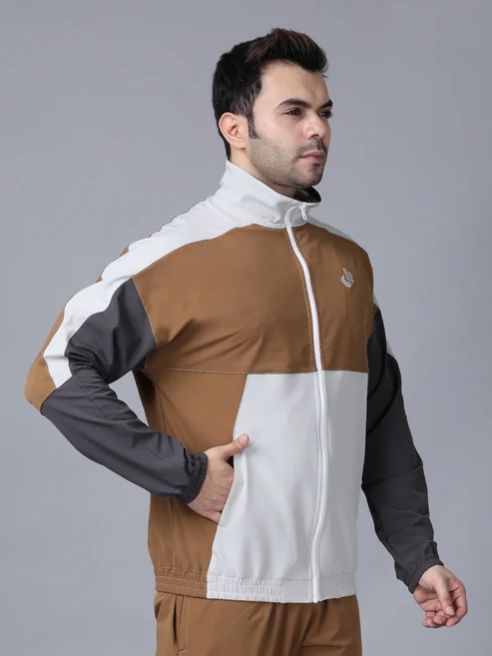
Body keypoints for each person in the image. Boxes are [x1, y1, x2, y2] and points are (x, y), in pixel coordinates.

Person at [24, 26, 468, 656]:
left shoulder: (348, 263)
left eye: (325, 112)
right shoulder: (177, 254)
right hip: (224, 591)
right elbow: (53, 370)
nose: (317, 129)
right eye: (294, 111)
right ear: (235, 128)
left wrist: (418, 556)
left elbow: (380, 423)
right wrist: (182, 476)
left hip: (331, 601)